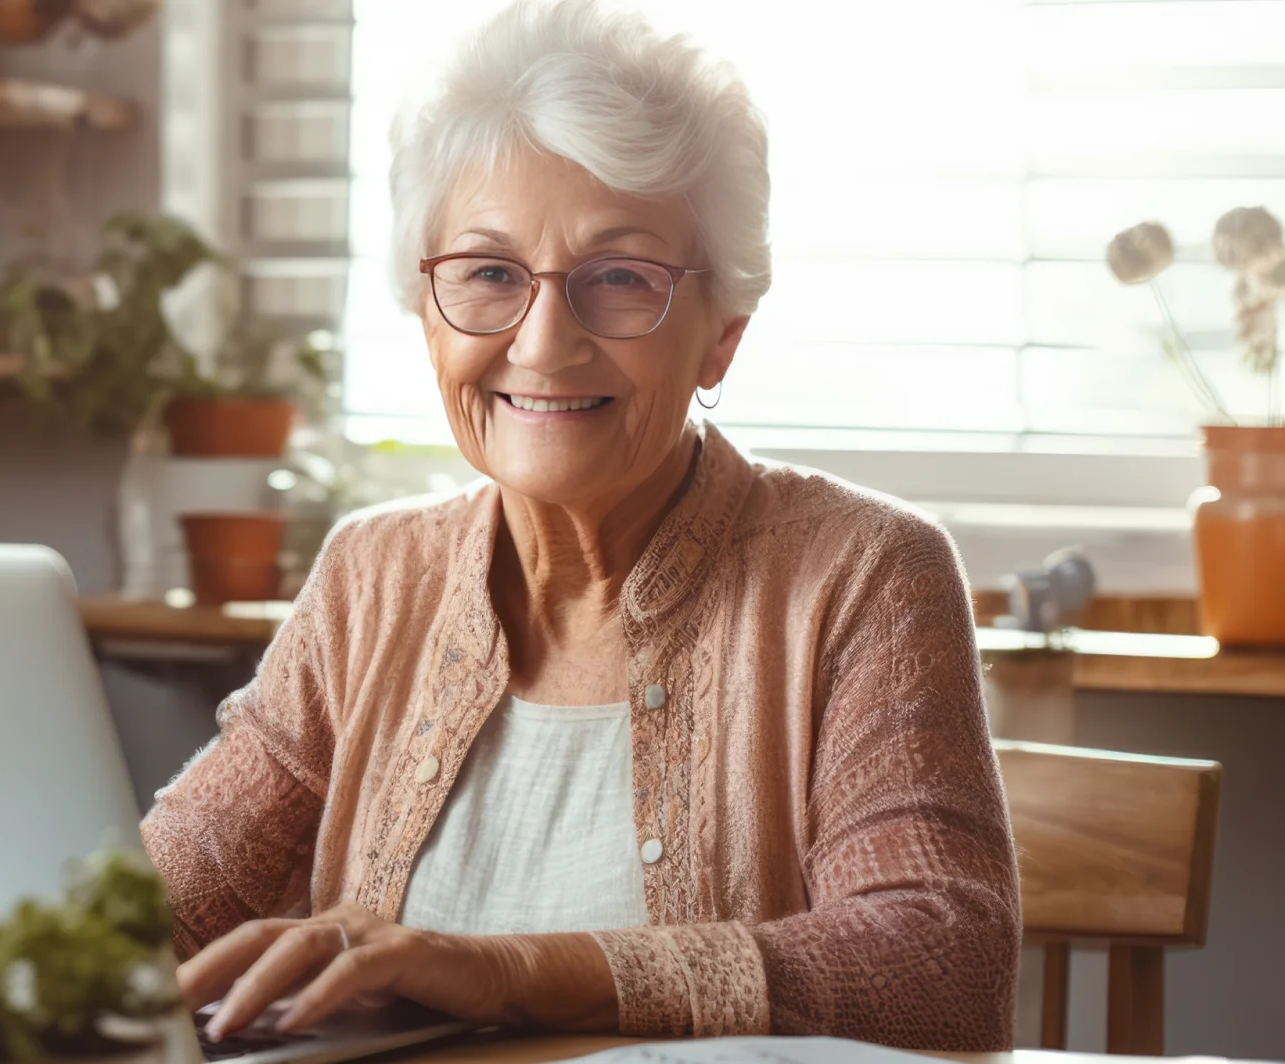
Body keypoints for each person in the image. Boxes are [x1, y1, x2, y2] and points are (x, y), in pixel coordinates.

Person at [139, 0, 1019, 1050]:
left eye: (620, 278)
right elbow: (158, 900)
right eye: (489, 273)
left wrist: (506, 969)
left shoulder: (862, 573)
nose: (544, 343)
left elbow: (938, 962)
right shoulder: (372, 576)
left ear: (720, 339)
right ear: (427, 312)